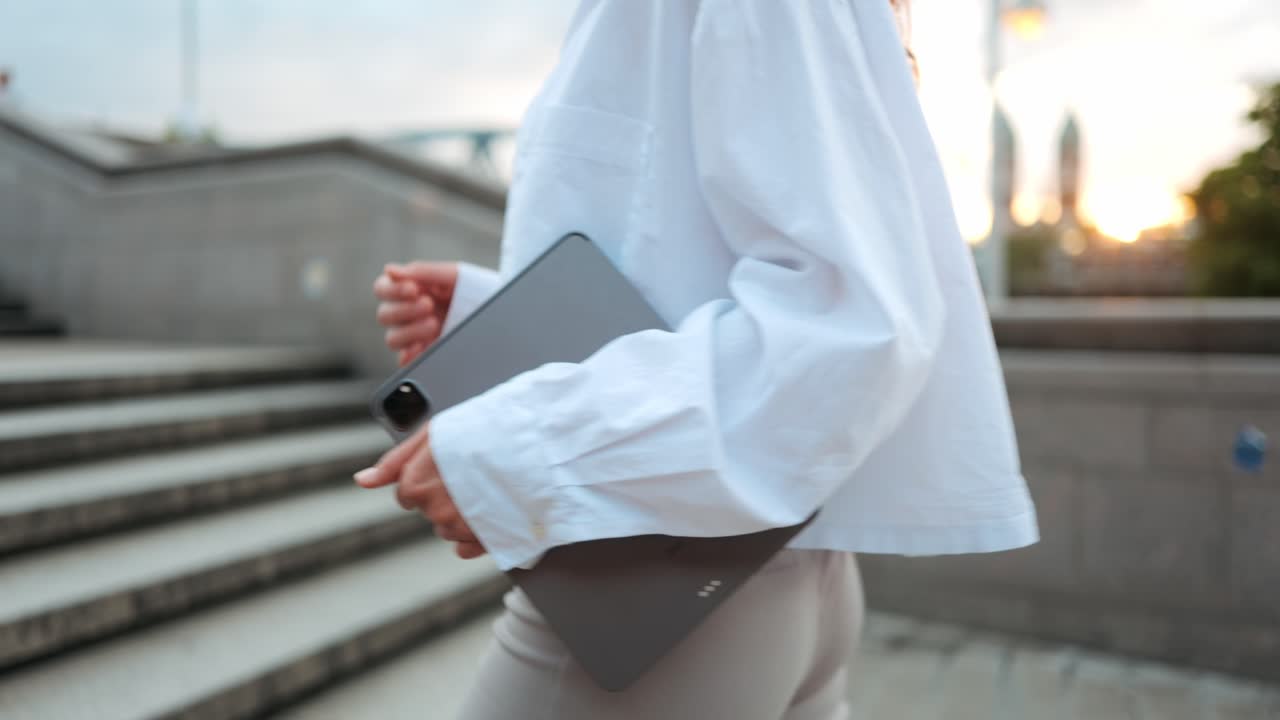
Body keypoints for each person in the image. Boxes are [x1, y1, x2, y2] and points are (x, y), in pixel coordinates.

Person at [358, 0, 1038, 717]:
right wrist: (488, 312)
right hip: (745, 580)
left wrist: (519, 452)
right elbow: (686, 254)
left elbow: (849, 323)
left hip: (670, 591)